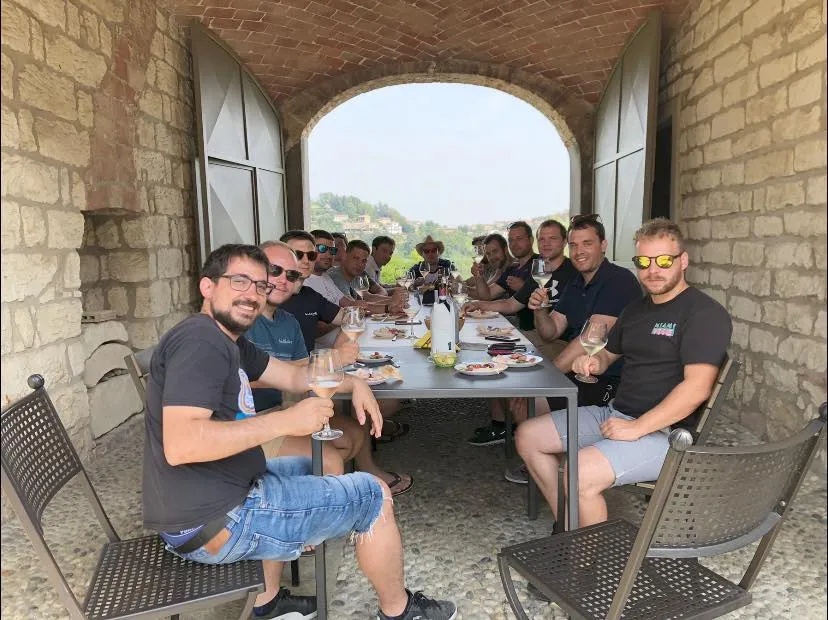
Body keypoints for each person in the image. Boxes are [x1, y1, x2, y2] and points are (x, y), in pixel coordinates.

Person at [143, 243, 456, 620]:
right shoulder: (200, 342)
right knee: (373, 494)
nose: (252, 294)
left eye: (260, 286)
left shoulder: (226, 339)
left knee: (317, 466)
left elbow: (294, 376)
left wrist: (353, 383)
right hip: (216, 521)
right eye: (239, 281)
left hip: (223, 494)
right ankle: (400, 611)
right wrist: (286, 421)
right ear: (207, 286)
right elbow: (181, 445)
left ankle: (267, 602)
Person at [515, 218, 732, 527]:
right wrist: (593, 362)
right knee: (528, 436)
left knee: (578, 472)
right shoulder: (636, 310)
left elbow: (697, 388)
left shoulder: (703, 313)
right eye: (643, 261)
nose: (652, 270)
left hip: (665, 433)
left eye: (663, 260)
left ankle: (585, 554)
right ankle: (569, 526)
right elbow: (607, 354)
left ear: (683, 260)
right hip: (616, 414)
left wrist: (638, 427)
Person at [277, 232, 413, 494]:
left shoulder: (308, 294)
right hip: (288, 389)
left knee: (357, 427)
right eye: (297, 255)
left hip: (306, 374)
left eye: (311, 254)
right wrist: (335, 359)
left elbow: (348, 315)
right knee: (378, 402)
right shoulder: (265, 306)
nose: (304, 260)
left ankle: (351, 475)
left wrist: (345, 343)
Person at [471, 221, 539, 331]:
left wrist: (524, 287)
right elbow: (487, 295)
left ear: (531, 240)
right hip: (519, 327)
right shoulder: (511, 269)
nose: (514, 244)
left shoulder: (540, 264)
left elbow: (551, 297)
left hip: (533, 330)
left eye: (519, 238)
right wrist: (478, 276)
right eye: (511, 240)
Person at [327, 240, 408, 312]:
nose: (360, 264)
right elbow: (353, 306)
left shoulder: (356, 275)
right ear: (345, 256)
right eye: (356, 258)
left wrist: (393, 300)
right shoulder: (336, 276)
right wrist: (389, 305)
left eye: (364, 261)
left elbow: (368, 296)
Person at [407, 235, 452, 304]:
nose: (430, 254)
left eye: (434, 250)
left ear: (438, 252)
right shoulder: (417, 268)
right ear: (422, 254)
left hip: (443, 304)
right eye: (426, 251)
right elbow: (405, 285)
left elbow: (458, 281)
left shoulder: (446, 265)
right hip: (422, 304)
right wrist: (414, 284)